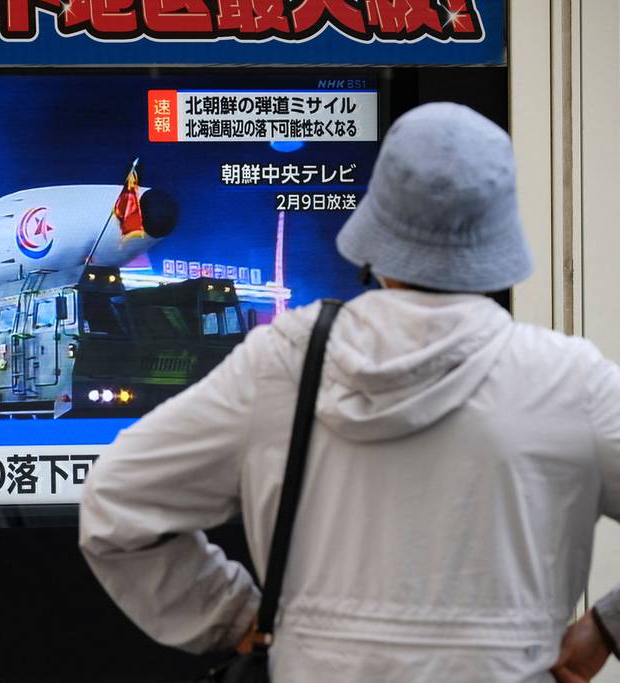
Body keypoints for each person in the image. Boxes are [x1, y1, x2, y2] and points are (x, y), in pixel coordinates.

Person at [78, 102, 620, 681]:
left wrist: (238, 619)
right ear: (498, 242)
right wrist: (607, 625)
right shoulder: (570, 380)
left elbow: (118, 502)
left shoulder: (284, 363)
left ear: (376, 235)